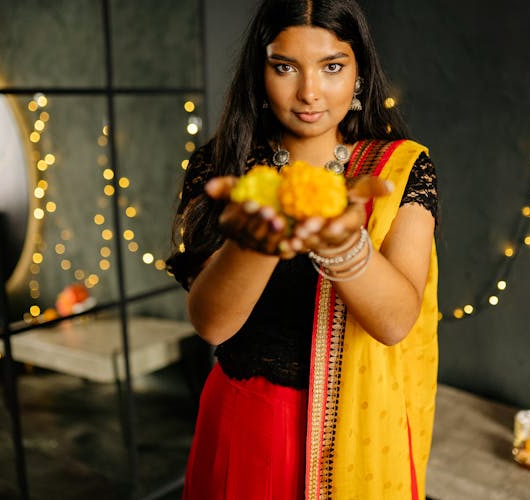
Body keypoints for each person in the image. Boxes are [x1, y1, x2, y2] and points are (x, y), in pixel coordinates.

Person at [166, 1, 439, 498]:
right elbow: (211, 323)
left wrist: (343, 246)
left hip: (360, 427)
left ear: (359, 74)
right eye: (285, 67)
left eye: (332, 66)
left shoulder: (396, 169)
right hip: (249, 424)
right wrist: (258, 242)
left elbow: (396, 321)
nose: (309, 92)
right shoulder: (223, 164)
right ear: (259, 71)